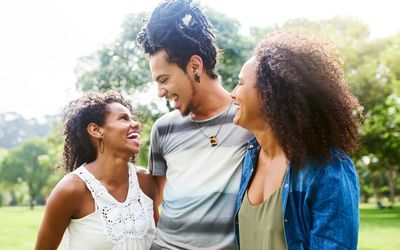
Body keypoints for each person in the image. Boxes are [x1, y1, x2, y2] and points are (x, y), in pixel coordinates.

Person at [136, 0, 252, 249]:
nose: (160, 92)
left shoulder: (250, 121)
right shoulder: (163, 128)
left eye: (164, 79)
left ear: (195, 66)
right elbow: (157, 200)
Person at [231, 31, 361, 250]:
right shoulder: (249, 158)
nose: (232, 94)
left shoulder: (327, 169)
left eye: (240, 83)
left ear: (269, 94)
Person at [35, 91, 158, 250]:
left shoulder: (146, 181)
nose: (136, 124)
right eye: (123, 118)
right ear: (96, 130)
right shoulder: (71, 190)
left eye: (132, 118)